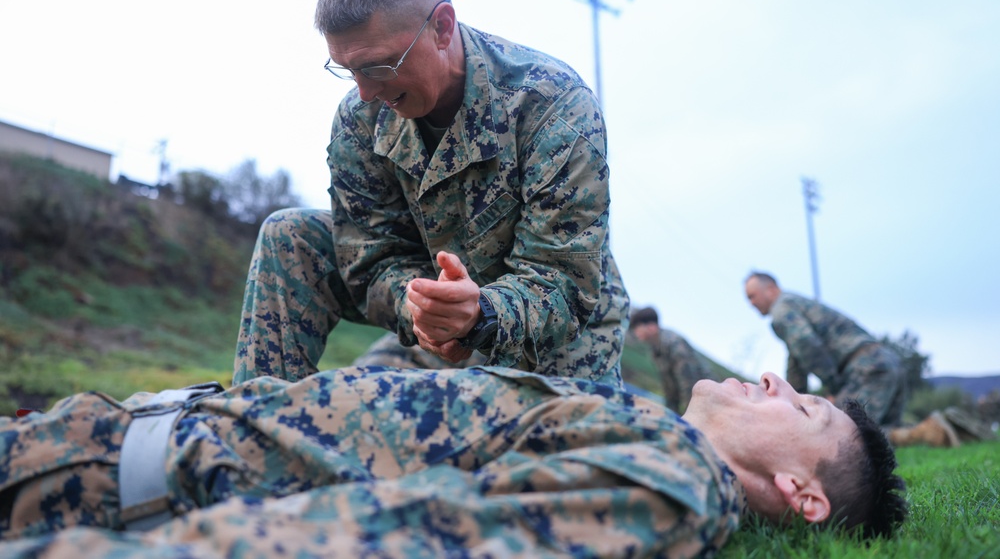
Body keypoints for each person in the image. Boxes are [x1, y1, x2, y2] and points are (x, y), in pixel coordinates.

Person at [233, 0, 629, 388]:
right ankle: (255, 430)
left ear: (442, 27)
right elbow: (370, 257)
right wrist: (421, 308)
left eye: (378, 65)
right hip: (437, 335)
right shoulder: (361, 118)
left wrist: (479, 312)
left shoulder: (554, 106)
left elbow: (561, 283)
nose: (364, 91)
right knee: (290, 236)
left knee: (542, 454)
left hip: (554, 340)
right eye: (348, 70)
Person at [0, 366, 906, 556]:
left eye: (805, 407)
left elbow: (390, 542)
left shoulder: (675, 485)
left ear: (801, 494)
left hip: (79, 501)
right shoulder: (642, 418)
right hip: (86, 432)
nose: (774, 378)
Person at [744, 271, 907, 427]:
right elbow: (796, 360)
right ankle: (925, 432)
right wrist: (795, 401)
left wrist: (834, 386)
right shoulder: (796, 303)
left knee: (841, 430)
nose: (751, 304)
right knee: (884, 432)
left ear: (771, 289)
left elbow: (806, 344)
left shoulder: (781, 310)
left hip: (866, 368)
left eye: (752, 296)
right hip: (886, 361)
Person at [628, 306, 713, 411]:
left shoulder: (674, 344)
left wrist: (690, 416)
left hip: (707, 398)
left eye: (637, 327)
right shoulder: (656, 350)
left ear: (651, 327)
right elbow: (669, 388)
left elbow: (689, 384)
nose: (636, 333)